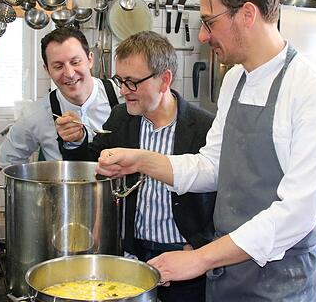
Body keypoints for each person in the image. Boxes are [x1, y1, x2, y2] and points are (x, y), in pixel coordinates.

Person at [96, 0, 316, 301]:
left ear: (247, 14)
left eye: (209, 22)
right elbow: (212, 167)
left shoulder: (315, 91)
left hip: (281, 283)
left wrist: (199, 259)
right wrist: (141, 160)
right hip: (227, 275)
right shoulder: (235, 79)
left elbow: (298, 213)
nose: (203, 35)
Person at [56, 31, 216, 302]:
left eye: (132, 82)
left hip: (185, 259)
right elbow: (94, 165)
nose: (122, 91)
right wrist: (77, 140)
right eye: (120, 80)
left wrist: (200, 248)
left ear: (164, 80)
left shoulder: (205, 128)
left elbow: (225, 197)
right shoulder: (121, 118)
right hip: (133, 255)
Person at [0, 27, 119, 164]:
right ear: (47, 70)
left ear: (90, 60)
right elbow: (9, 159)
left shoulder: (123, 97)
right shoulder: (36, 115)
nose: (69, 73)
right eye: (58, 66)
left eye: (75, 62)